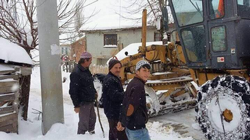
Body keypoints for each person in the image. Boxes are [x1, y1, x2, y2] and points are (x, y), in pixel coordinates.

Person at [119, 60, 151, 140]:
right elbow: (131, 106)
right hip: (137, 129)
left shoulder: (133, 83)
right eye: (144, 70)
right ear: (137, 71)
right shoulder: (138, 86)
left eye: (148, 71)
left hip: (131, 127)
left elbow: (125, 102)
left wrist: (122, 121)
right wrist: (123, 122)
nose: (147, 73)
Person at [69, 51, 97, 135]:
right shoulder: (76, 73)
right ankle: (81, 136)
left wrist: (94, 92)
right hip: (83, 102)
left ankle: (91, 135)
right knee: (83, 123)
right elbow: (73, 90)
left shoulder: (86, 71)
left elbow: (89, 84)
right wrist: (76, 105)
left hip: (90, 100)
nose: (91, 62)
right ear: (85, 60)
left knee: (92, 119)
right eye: (90, 60)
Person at [102, 59, 128, 140]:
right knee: (120, 135)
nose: (118, 70)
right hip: (114, 112)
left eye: (119, 67)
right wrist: (127, 94)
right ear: (110, 68)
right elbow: (115, 96)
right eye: (115, 67)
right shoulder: (110, 80)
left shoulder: (114, 78)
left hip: (113, 111)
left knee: (113, 135)